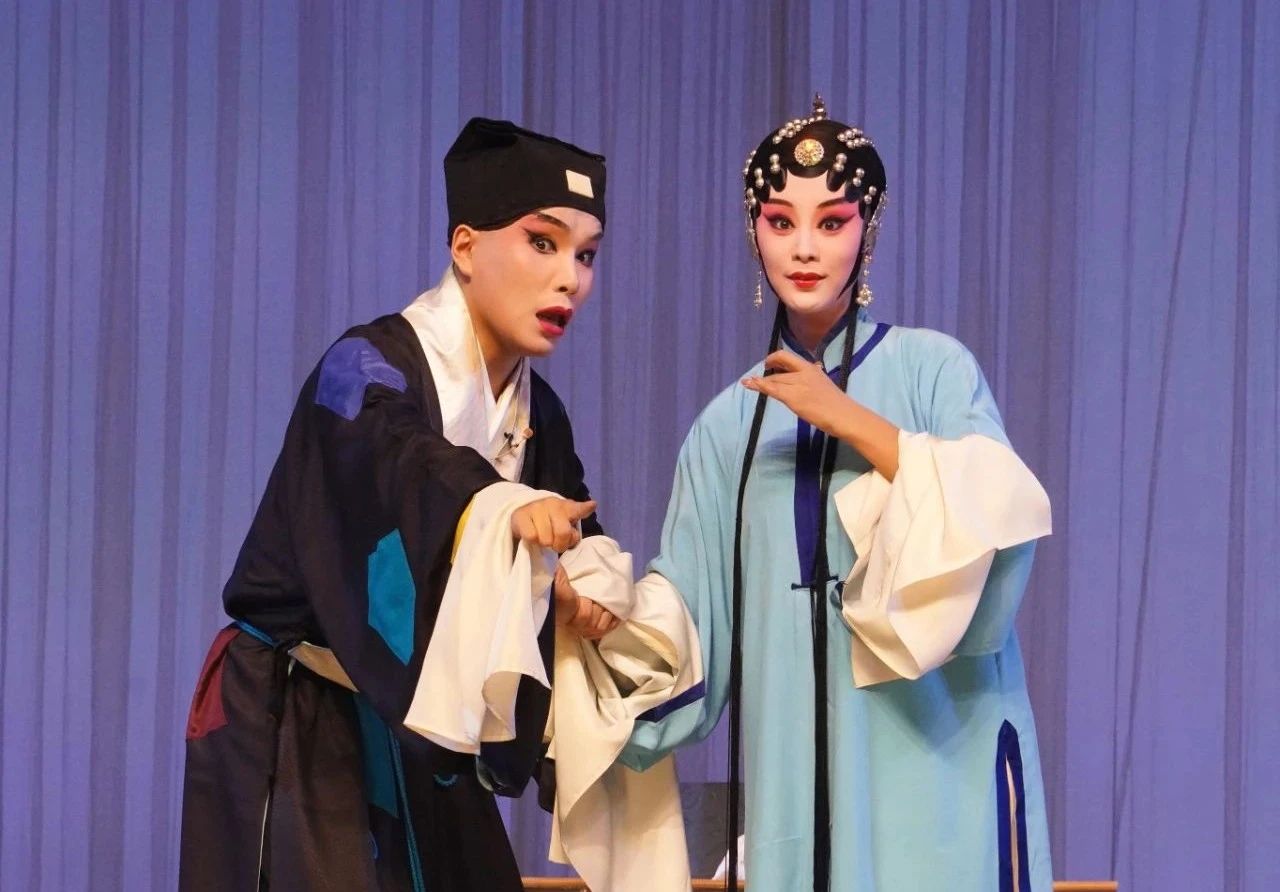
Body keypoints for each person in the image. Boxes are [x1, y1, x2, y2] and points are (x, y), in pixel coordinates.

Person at [615, 96, 1055, 890]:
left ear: (868, 229)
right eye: (781, 222)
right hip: (791, 772)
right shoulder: (726, 427)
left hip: (935, 761)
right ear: (753, 232)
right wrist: (587, 624)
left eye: (834, 221)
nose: (805, 248)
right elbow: (686, 615)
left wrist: (849, 418)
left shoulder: (933, 371)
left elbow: (1000, 513)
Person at [179, 117, 618, 892]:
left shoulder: (537, 414)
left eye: (586, 255)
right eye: (542, 243)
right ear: (465, 246)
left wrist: (585, 594)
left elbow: (574, 536)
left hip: (421, 724)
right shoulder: (364, 369)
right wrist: (498, 509)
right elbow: (401, 461)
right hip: (299, 712)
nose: (570, 280)